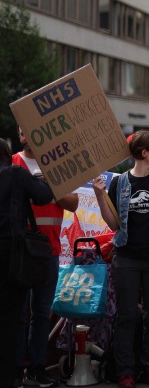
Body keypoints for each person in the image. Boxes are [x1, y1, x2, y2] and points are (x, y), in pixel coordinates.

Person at [92, 131, 149, 388]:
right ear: (143, 153)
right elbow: (114, 223)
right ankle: (125, 370)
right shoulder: (120, 183)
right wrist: (99, 195)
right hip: (126, 257)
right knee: (126, 316)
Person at [13, 127, 79, 388]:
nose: (24, 134)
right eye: (21, 131)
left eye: (28, 129)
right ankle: (16, 368)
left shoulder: (57, 166)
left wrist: (49, 186)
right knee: (18, 313)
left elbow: (73, 203)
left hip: (48, 251)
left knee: (41, 313)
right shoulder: (13, 163)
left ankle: (37, 367)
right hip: (17, 252)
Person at [0, 138, 54, 388]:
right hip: (12, 257)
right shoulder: (16, 174)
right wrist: (43, 181)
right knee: (12, 316)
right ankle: (11, 375)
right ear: (7, 155)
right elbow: (42, 196)